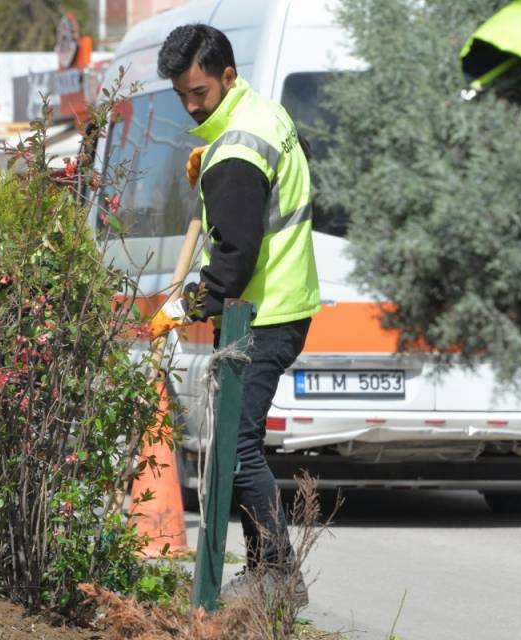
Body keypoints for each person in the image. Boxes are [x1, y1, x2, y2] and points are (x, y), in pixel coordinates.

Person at [149, 23, 320, 606]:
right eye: (182, 97)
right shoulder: (261, 116)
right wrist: (215, 173)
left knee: (236, 449)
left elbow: (234, 258)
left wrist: (182, 306)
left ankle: (279, 575)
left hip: (262, 312)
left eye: (200, 94)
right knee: (239, 445)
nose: (192, 106)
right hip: (282, 304)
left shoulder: (238, 148)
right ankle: (265, 571)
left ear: (228, 76)